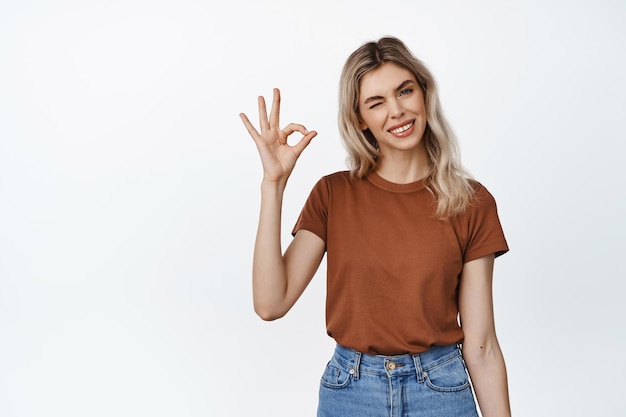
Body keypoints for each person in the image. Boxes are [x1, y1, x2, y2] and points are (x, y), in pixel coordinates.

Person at [239, 36, 511, 417]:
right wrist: (273, 186)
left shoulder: (471, 202)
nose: (397, 111)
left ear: (424, 94)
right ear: (359, 120)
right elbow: (270, 303)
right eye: (376, 102)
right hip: (350, 391)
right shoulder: (333, 194)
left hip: (440, 391)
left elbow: (482, 345)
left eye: (405, 91)